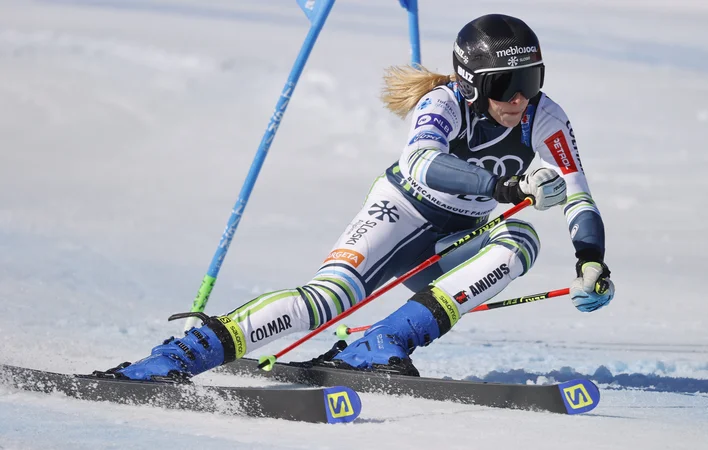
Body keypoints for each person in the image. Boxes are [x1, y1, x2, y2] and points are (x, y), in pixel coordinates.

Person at [99, 14, 614, 381]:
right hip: (401, 212)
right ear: (471, 83)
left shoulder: (544, 117)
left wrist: (591, 261)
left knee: (521, 239)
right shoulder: (443, 102)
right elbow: (421, 164)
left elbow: (579, 196)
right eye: (506, 84)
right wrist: (504, 187)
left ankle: (381, 343)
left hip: (458, 238)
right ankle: (178, 357)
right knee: (328, 300)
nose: (520, 98)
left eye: (530, 80)